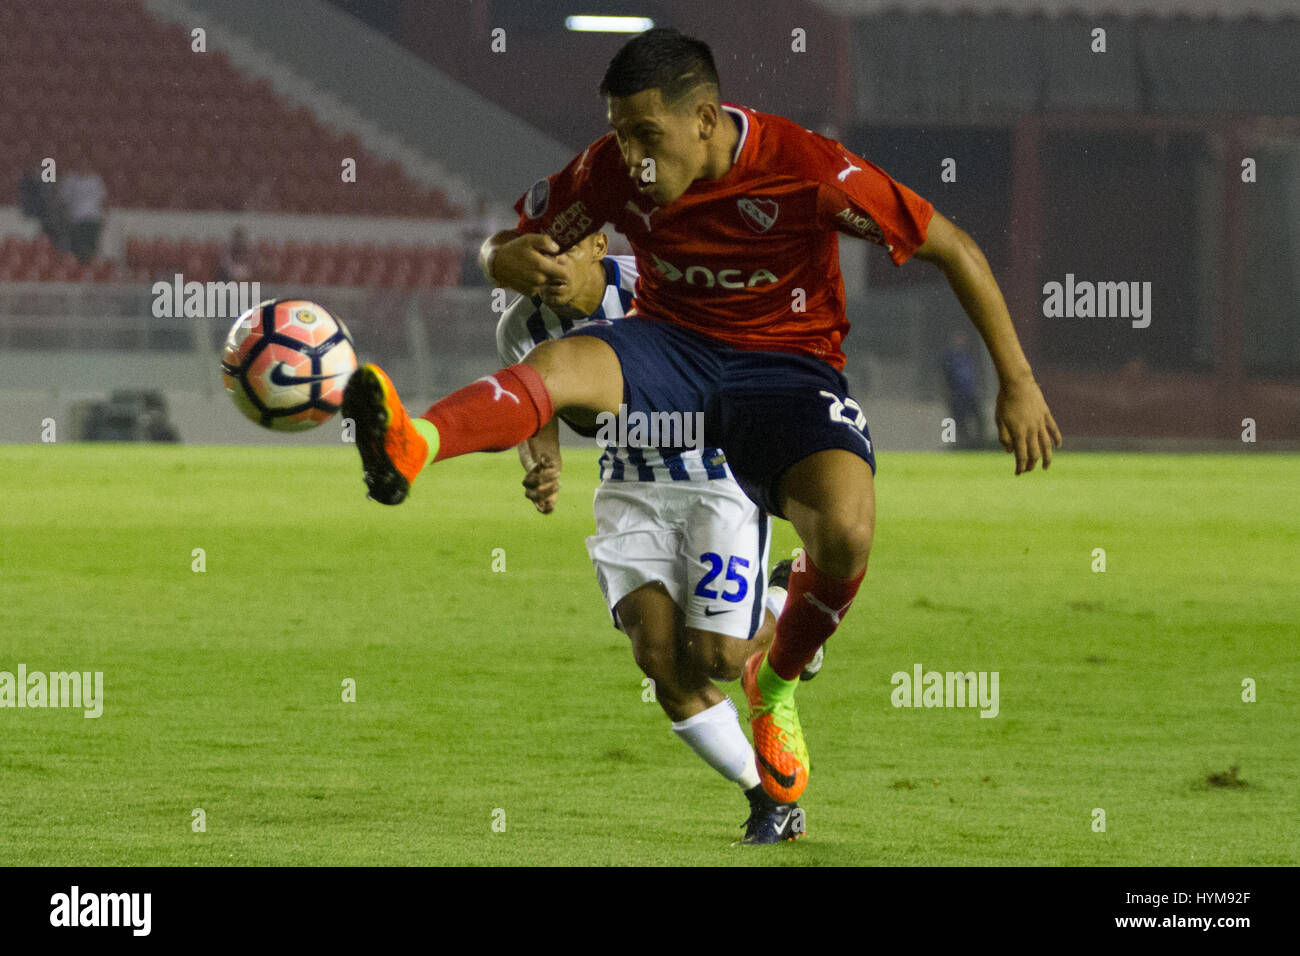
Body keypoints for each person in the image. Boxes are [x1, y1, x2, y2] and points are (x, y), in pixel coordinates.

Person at [342, 28, 1060, 808]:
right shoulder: (613, 171)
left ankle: (775, 682)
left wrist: (1016, 382)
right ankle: (417, 443)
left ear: (707, 120)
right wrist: (500, 258)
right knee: (557, 365)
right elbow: (514, 241)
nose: (634, 160)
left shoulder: (810, 170)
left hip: (785, 368)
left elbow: (952, 247)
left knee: (846, 535)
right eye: (620, 134)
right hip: (671, 347)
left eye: (647, 136)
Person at [496, 228, 812, 843]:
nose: (548, 267)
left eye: (561, 250)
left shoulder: (659, 284)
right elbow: (536, 404)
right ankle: (769, 798)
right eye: (537, 255)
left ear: (596, 244)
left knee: (719, 658)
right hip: (628, 493)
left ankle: (788, 606)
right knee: (659, 659)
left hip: (717, 481)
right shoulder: (520, 328)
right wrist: (543, 463)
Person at [941, 329, 985, 448]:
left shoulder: (968, 356)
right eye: (958, 338)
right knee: (959, 420)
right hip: (957, 394)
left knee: (979, 418)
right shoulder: (949, 357)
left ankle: (978, 443)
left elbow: (974, 374)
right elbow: (945, 377)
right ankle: (961, 444)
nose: (961, 341)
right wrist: (947, 393)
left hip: (970, 393)